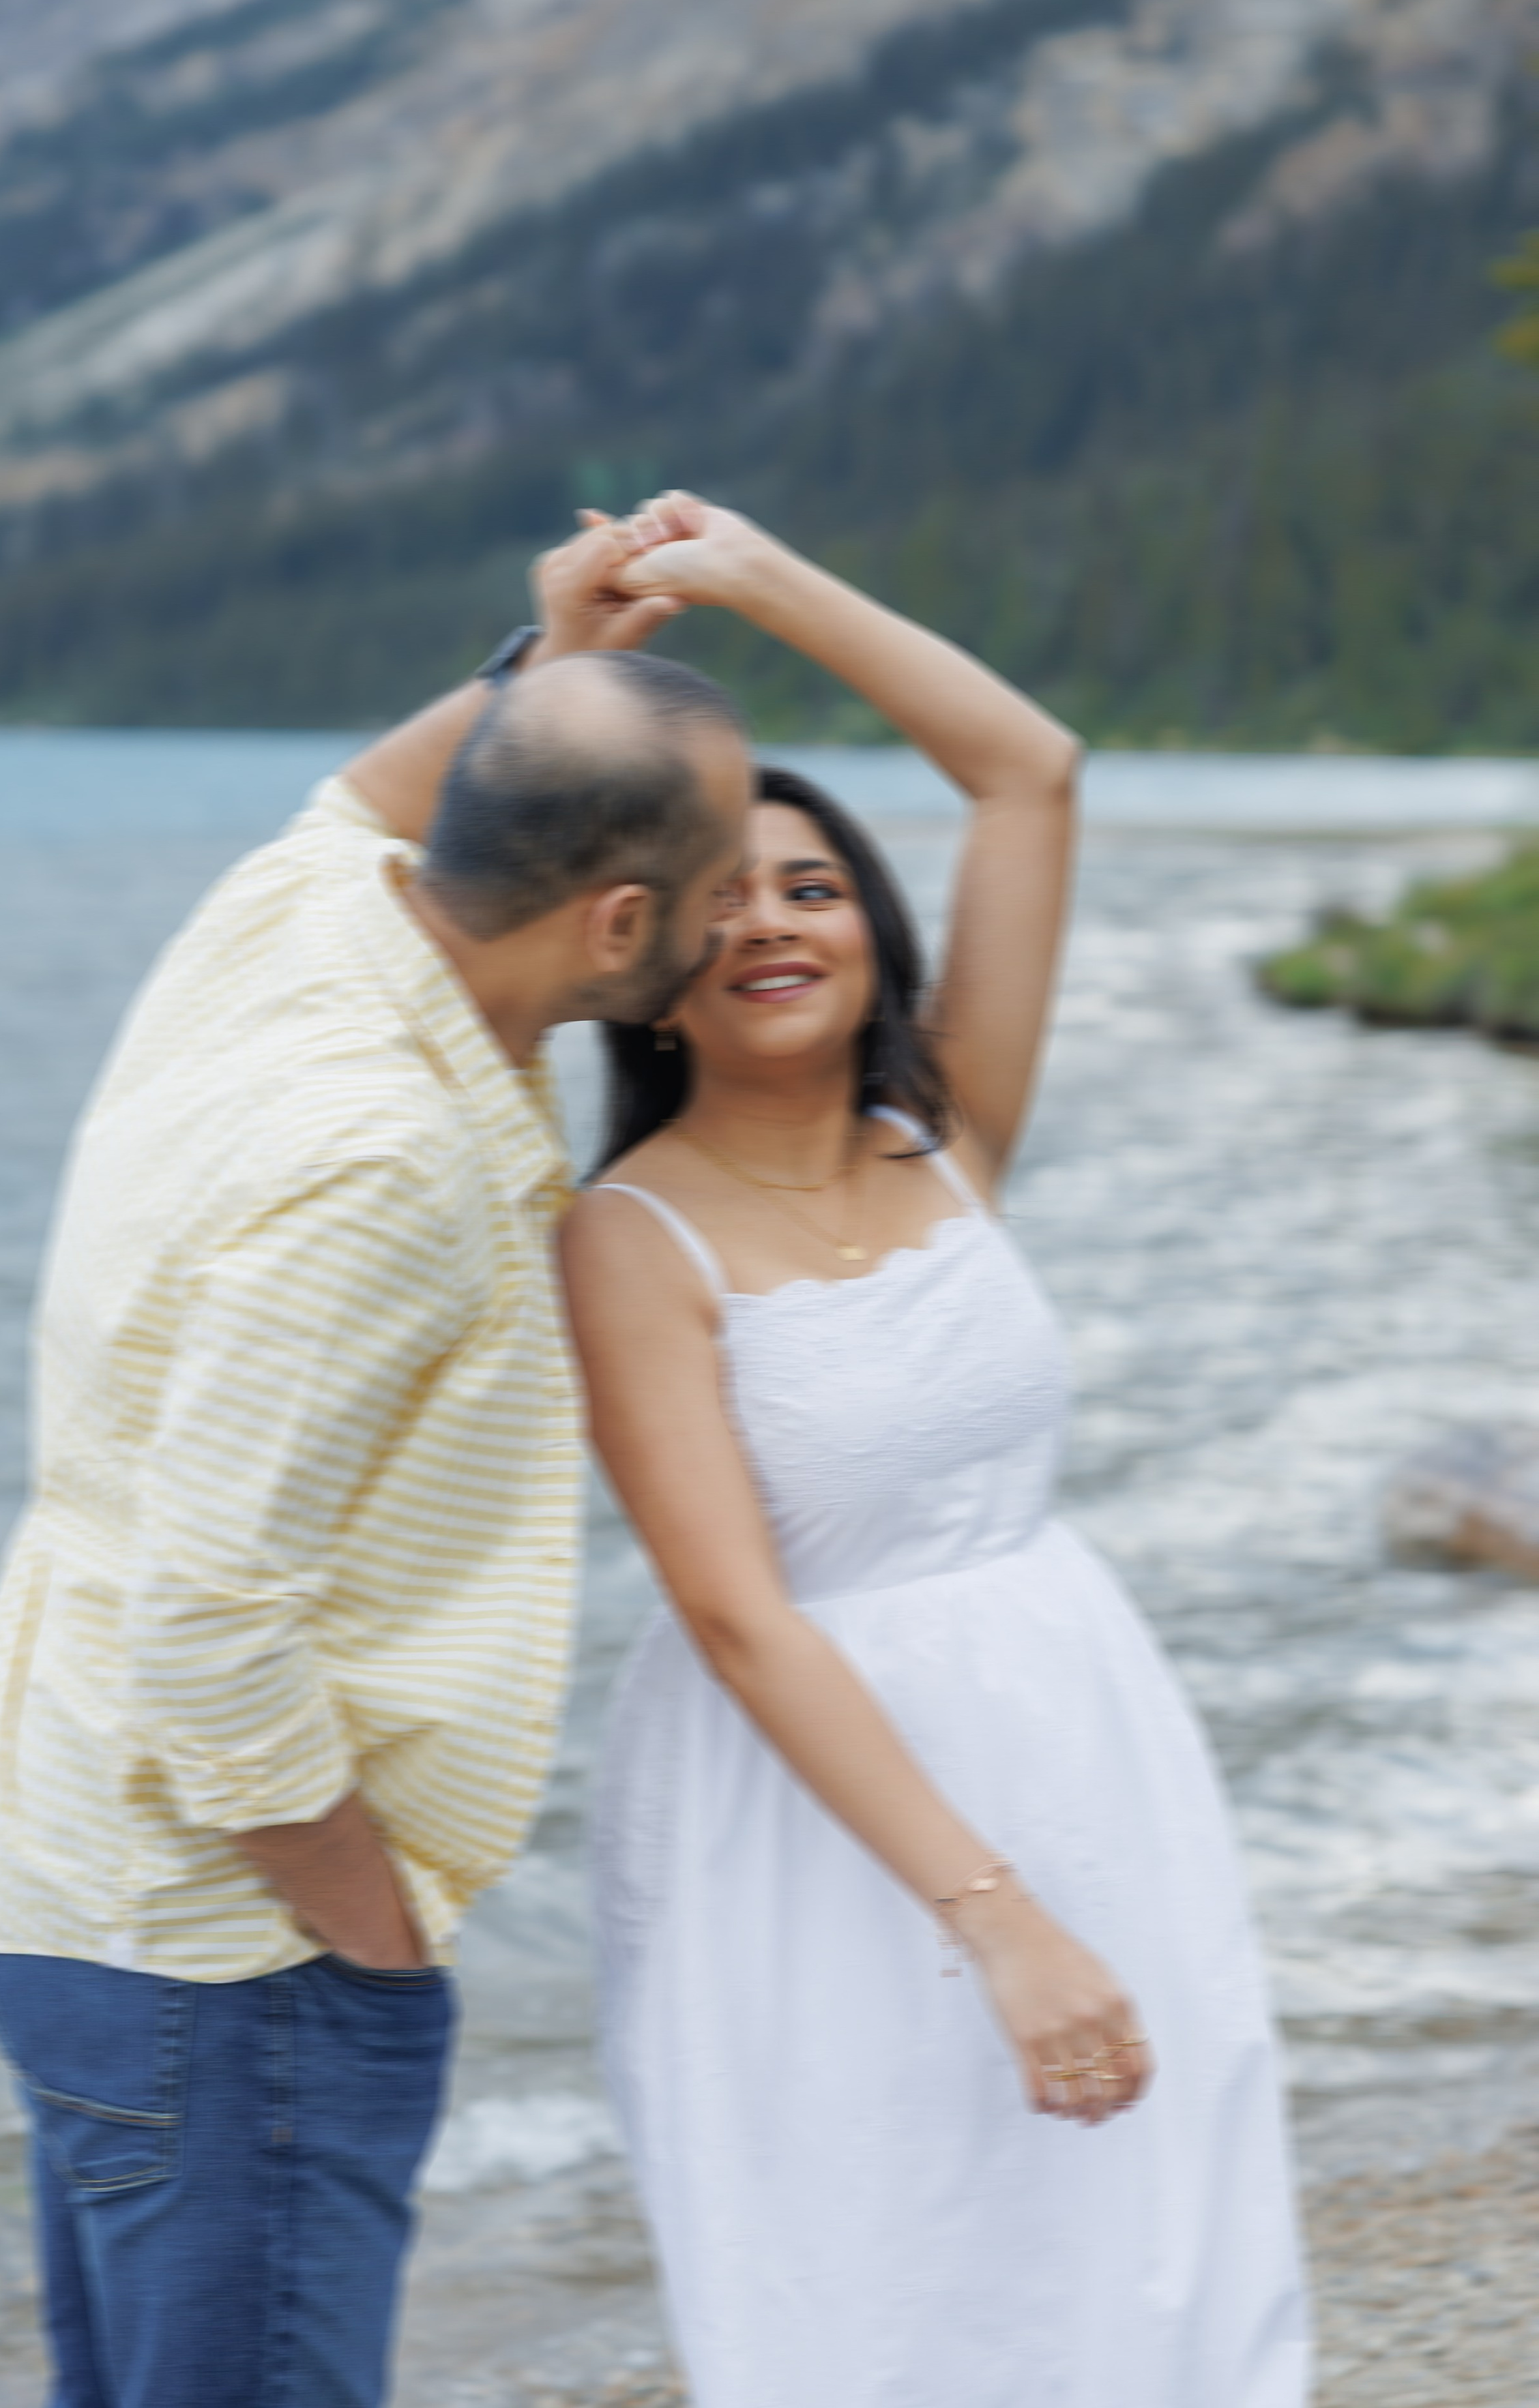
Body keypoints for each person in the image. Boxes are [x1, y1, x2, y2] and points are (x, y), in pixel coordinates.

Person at [0, 517, 755, 2408]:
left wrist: (544, 652)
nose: (745, 913)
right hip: (214, 1953)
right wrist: (366, 1947)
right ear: (617, 926)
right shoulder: (385, 1163)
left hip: (53, 1863)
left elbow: (374, 788)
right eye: (718, 879)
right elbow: (210, 1628)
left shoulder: (312, 913)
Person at [562, 494, 1310, 2407]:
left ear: (871, 930)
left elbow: (1028, 770)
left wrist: (750, 580)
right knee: (880, 2260)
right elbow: (739, 1621)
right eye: (713, 895)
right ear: (641, 960)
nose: (766, 923)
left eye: (806, 885)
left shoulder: (949, 1135)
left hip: (1079, 1724)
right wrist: (995, 1922)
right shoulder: (628, 1239)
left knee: (1146, 2227)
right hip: (809, 1805)